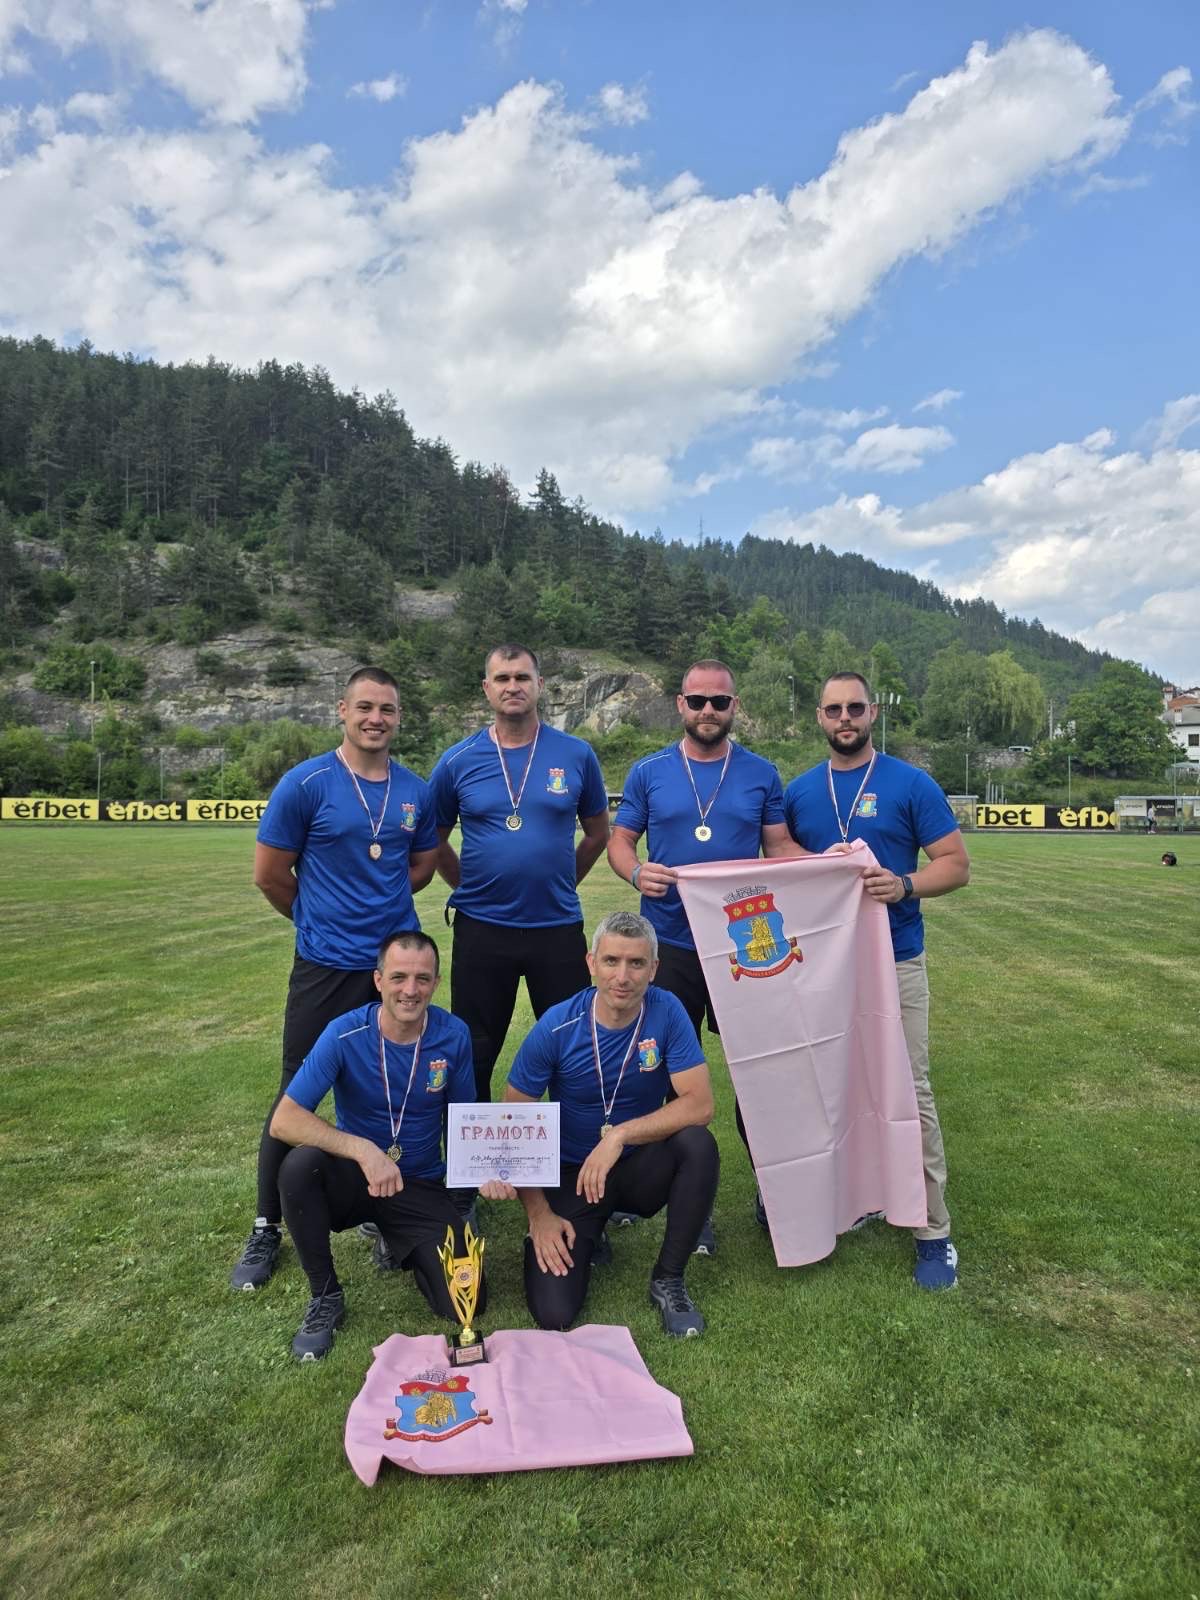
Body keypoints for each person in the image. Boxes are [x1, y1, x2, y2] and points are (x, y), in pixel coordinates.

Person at [230, 666, 439, 1291]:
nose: (376, 719)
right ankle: (266, 1224)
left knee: (395, 1086)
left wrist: (379, 907)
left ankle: (390, 1209)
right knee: (295, 1092)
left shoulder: (414, 789)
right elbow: (270, 874)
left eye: (388, 709)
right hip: (324, 966)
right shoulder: (306, 783)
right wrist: (317, 918)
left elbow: (421, 865)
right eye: (365, 707)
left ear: (399, 718)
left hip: (392, 970)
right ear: (342, 711)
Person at [783, 671, 970, 1290]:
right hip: (823, 968)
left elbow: (956, 865)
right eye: (834, 709)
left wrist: (905, 884)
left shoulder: (910, 783)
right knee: (828, 1089)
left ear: (873, 714)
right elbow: (778, 864)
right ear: (819, 717)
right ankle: (849, 1201)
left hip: (896, 959)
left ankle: (933, 1231)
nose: (845, 718)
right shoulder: (800, 792)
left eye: (855, 708)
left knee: (909, 1090)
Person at [606, 658, 795, 1251]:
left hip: (746, 944)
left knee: (758, 1073)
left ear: (735, 706)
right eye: (697, 700)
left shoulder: (761, 772)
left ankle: (775, 1190)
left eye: (719, 701)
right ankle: (682, 1197)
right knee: (667, 1075)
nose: (707, 711)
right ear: (680, 705)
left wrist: (837, 864)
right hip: (672, 946)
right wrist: (636, 872)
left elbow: (780, 848)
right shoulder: (649, 771)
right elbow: (619, 840)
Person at [493, 911, 719, 1337]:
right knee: (554, 1313)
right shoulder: (556, 1026)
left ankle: (668, 1278)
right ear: (591, 962)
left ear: (654, 969)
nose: (623, 976)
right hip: (573, 1174)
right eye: (611, 961)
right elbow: (513, 1123)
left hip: (636, 1167)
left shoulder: (667, 1011)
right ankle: (589, 1232)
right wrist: (539, 1215)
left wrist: (620, 1136)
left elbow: (701, 1104)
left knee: (697, 1144)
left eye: (636, 963)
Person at [269, 932, 481, 1360]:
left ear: (436, 983)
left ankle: (396, 1239)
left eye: (422, 979)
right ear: (378, 980)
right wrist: (364, 1151)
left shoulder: (453, 1035)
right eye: (399, 977)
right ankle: (325, 1295)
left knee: (464, 1300)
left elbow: (465, 1121)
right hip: (357, 1178)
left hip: (419, 1183)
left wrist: (477, 1185)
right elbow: (285, 1120)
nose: (410, 990)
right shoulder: (344, 1033)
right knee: (299, 1167)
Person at [429, 644, 610, 1101]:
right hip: (482, 928)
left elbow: (597, 834)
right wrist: (467, 885)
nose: (513, 686)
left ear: (540, 685)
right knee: (474, 1049)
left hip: (556, 927)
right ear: (486, 688)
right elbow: (433, 839)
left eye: (523, 677)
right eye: (503, 678)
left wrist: (563, 881)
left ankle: (574, 1145)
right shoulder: (457, 760)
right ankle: (472, 1148)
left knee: (572, 1046)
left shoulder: (576, 754)